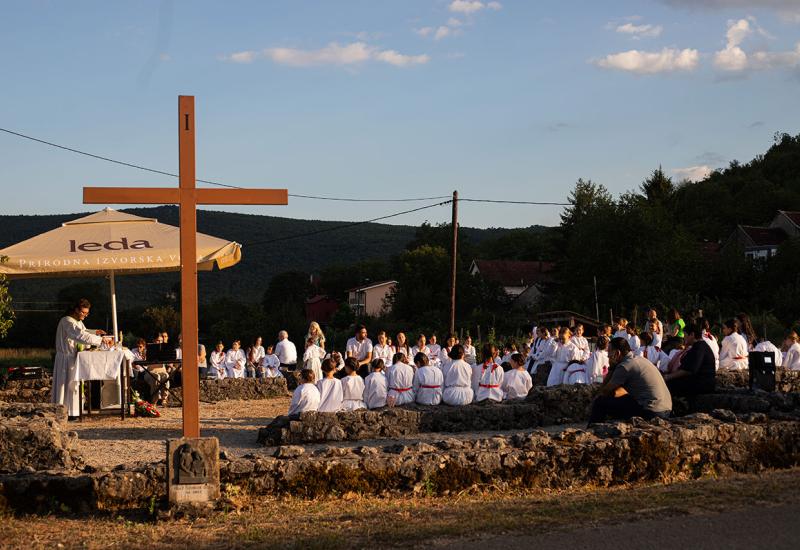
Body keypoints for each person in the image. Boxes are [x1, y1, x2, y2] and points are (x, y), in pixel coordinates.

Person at [587, 337, 672, 425]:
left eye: (609, 352)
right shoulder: (639, 359)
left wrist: (611, 368)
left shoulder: (625, 366)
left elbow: (605, 391)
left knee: (600, 402)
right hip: (666, 410)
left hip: (651, 412)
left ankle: (592, 430)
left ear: (617, 353)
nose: (608, 356)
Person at [52, 299, 107, 419]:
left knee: (74, 386)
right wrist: (100, 340)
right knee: (65, 386)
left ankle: (74, 411)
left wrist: (95, 332)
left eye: (87, 313)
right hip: (66, 358)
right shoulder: (67, 321)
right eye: (83, 312)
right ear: (76, 310)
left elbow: (84, 331)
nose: (85, 315)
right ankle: (63, 411)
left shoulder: (78, 322)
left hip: (74, 358)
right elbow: (79, 335)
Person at [663, 324, 716, 398]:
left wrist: (668, 377)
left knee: (668, 385)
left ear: (692, 334)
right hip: (700, 381)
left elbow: (689, 370)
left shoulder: (699, 348)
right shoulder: (698, 346)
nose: (683, 338)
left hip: (703, 383)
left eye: (685, 335)